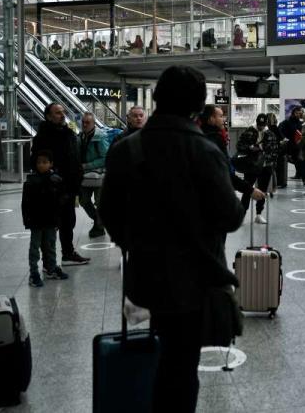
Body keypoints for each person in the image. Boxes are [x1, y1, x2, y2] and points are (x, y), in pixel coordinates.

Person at [100, 66, 244, 413]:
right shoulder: (205, 152)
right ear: (198, 106)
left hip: (146, 278)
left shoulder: (126, 150)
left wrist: (136, 243)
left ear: (156, 99)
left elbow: (109, 214)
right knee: (181, 369)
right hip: (194, 283)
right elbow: (230, 217)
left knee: (158, 358)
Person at [31, 103, 90, 266]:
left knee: (68, 221)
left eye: (63, 112)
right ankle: (48, 262)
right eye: (57, 113)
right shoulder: (43, 136)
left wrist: (77, 178)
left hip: (69, 187)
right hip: (52, 188)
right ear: (48, 116)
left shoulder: (68, 133)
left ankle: (68, 253)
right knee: (50, 225)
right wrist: (51, 175)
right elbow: (36, 161)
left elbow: (74, 158)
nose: (62, 115)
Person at [22, 149, 70, 287]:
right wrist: (27, 220)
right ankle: (34, 273)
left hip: (50, 219)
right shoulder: (31, 181)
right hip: (36, 220)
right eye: (39, 162)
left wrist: (58, 218)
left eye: (45, 162)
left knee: (50, 244)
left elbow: (61, 199)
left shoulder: (56, 180)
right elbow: (25, 203)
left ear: (51, 163)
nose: (42, 165)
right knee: (35, 247)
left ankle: (51, 268)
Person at [199, 104, 265, 205]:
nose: (224, 119)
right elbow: (224, 171)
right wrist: (250, 190)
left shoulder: (197, 135)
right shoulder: (215, 139)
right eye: (220, 116)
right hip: (214, 193)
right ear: (211, 119)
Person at [236, 114, 278, 223]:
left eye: (263, 125)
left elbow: (274, 149)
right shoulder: (249, 131)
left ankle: (258, 214)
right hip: (252, 166)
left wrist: (271, 163)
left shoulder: (270, 134)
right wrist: (250, 148)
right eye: (259, 125)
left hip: (266, 166)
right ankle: (242, 215)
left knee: (262, 191)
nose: (261, 127)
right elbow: (239, 146)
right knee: (247, 189)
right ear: (257, 122)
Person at [79, 112, 109, 237]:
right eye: (83, 122)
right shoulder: (81, 137)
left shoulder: (100, 137)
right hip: (84, 176)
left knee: (99, 201)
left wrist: (87, 165)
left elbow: (106, 158)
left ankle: (99, 227)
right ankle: (98, 221)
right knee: (83, 200)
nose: (85, 125)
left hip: (100, 175)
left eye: (88, 122)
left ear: (94, 123)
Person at [279, 106, 304, 181]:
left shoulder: (300, 123)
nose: (298, 114)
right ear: (293, 113)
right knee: (289, 160)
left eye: (299, 113)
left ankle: (299, 174)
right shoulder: (286, 122)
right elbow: (279, 130)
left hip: (297, 145)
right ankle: (282, 178)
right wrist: (284, 138)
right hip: (289, 145)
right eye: (297, 113)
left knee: (298, 160)